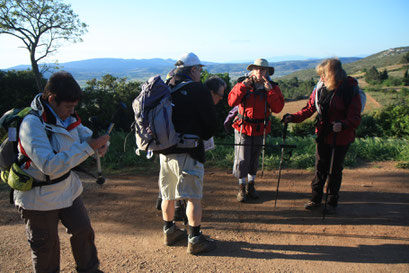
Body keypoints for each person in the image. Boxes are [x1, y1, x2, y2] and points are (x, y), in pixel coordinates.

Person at [14, 71, 109, 273]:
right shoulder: (32, 124)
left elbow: (84, 136)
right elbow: (49, 165)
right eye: (68, 106)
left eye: (74, 106)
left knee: (83, 232)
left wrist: (98, 146)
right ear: (51, 99)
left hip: (68, 189)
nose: (71, 111)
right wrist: (89, 148)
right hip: (38, 198)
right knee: (46, 247)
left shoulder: (66, 116)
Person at [283, 58, 362, 214]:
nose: (321, 78)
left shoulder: (350, 90)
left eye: (323, 75)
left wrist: (343, 125)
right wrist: (293, 117)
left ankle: (332, 202)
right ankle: (316, 198)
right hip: (323, 134)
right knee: (320, 168)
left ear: (332, 74)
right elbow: (309, 108)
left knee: (334, 169)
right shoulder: (320, 88)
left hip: (341, 137)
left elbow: (356, 118)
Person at [159, 52, 218, 255]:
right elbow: (210, 124)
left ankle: (169, 231)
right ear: (193, 69)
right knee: (193, 197)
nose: (200, 73)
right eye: (200, 69)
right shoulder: (197, 89)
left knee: (168, 194)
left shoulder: (165, 87)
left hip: (164, 151)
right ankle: (195, 239)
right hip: (189, 151)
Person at [228, 58, 284, 202]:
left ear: (267, 71)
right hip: (242, 127)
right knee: (242, 159)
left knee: (254, 158)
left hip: (260, 128)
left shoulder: (272, 87)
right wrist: (243, 87)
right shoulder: (243, 83)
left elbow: (278, 108)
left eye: (263, 69)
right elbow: (231, 102)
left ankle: (251, 185)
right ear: (252, 70)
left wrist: (270, 92)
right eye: (257, 69)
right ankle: (242, 187)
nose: (259, 72)